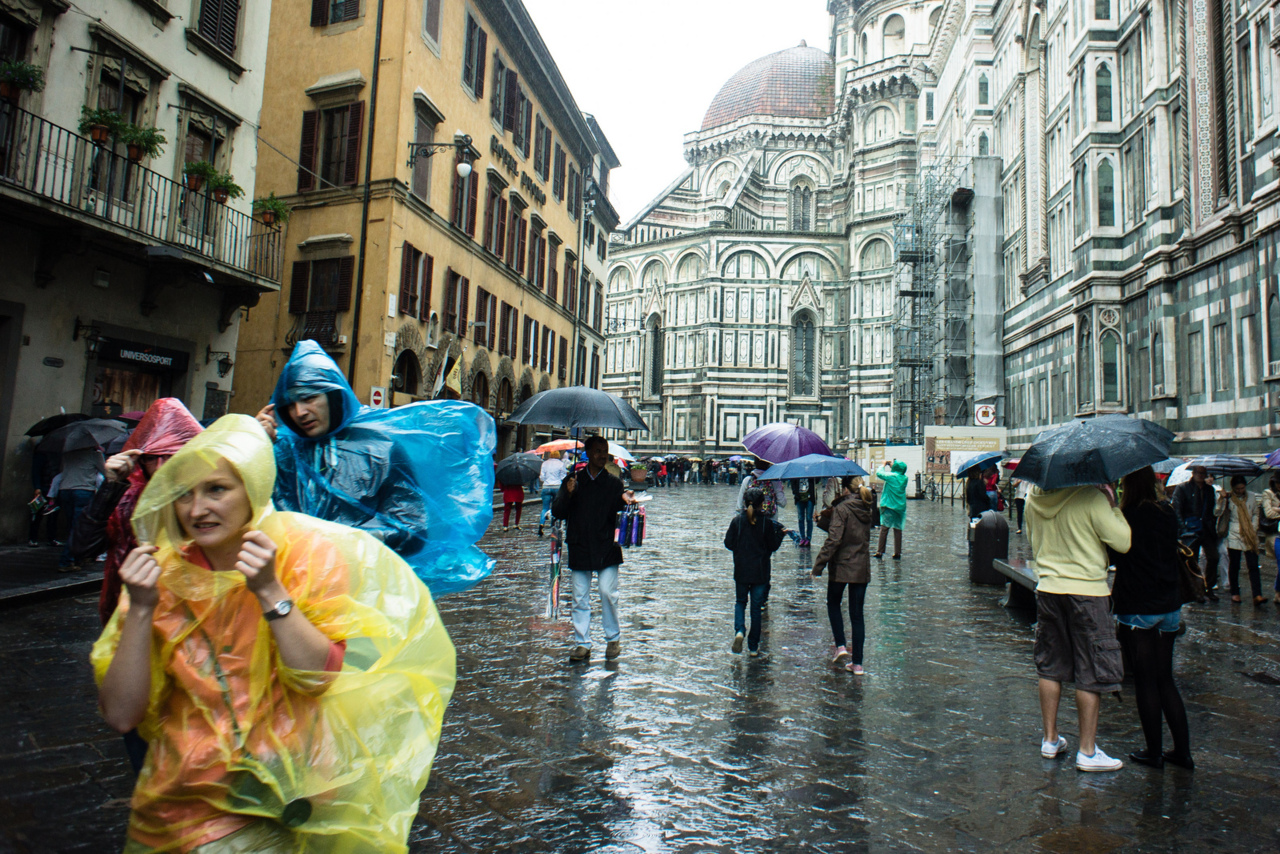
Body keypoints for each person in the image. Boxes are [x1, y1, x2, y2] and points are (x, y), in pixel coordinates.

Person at [91, 415, 455, 852]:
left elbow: (318, 678)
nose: (198, 509)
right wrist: (141, 609)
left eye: (217, 489)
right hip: (183, 808)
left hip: (291, 795)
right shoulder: (159, 577)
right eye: (184, 494)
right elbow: (121, 715)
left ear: (253, 487)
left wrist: (268, 591)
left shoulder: (306, 557)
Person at [256, 340, 495, 594]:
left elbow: (412, 528)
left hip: (364, 595)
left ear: (333, 394)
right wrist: (253, 445)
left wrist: (340, 544)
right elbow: (249, 511)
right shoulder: (280, 452)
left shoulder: (379, 447)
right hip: (292, 594)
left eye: (309, 398)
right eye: (290, 404)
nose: (300, 412)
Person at [1025, 480, 1132, 772]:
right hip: (1088, 591)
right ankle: (1086, 750)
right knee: (1091, 667)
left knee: (1049, 664)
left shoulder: (1033, 497)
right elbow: (1122, 541)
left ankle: (1050, 739)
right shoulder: (1092, 498)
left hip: (1048, 589)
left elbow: (1033, 542)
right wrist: (1114, 508)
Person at [1109, 466, 1193, 771]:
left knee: (1145, 681)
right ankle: (1182, 752)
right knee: (1165, 679)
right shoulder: (1167, 511)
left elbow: (1115, 555)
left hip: (1140, 606)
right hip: (1170, 604)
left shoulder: (1128, 515)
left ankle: (1154, 752)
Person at [553, 435, 635, 661]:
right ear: (588, 453)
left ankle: (613, 639)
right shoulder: (573, 480)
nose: (602, 455)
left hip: (607, 544)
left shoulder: (614, 483)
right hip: (580, 544)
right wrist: (568, 493)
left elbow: (621, 511)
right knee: (580, 597)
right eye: (598, 451)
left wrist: (627, 499)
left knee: (608, 593)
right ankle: (582, 644)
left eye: (605, 451)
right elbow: (558, 512)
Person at [811, 475, 874, 674]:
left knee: (833, 603)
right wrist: (823, 520)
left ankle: (840, 646)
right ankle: (858, 664)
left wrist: (819, 565)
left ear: (846, 489)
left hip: (841, 566)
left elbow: (835, 539)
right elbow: (851, 530)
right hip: (861, 567)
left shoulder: (842, 509)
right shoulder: (867, 507)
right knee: (857, 616)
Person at [723, 487, 788, 657]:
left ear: (745, 503)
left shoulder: (737, 521)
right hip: (760, 572)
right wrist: (780, 535)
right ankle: (753, 647)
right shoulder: (766, 523)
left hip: (742, 570)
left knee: (740, 602)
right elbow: (772, 546)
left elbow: (728, 543)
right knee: (756, 609)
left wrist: (739, 549)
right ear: (762, 504)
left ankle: (739, 630)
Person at [1172, 466, 1221, 601]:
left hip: (1206, 530)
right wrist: (1183, 530)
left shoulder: (1209, 490)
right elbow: (1176, 509)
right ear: (1193, 473)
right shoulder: (1183, 488)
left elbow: (1212, 511)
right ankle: (1195, 589)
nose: (1201, 475)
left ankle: (1208, 587)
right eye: (1198, 473)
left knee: (1214, 557)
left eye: (1203, 473)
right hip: (1190, 530)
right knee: (1191, 561)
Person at [56, 443, 106, 570]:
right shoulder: (95, 455)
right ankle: (66, 561)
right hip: (83, 491)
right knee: (79, 527)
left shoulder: (67, 454)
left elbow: (62, 470)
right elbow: (106, 471)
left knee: (72, 525)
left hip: (65, 490)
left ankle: (76, 558)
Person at [1216, 474, 1264, 605]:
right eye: (1237, 488)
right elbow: (1217, 512)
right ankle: (1235, 592)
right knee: (1235, 564)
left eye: (1242, 488)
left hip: (1249, 535)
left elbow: (1255, 513)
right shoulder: (1228, 498)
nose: (1240, 491)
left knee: (1253, 564)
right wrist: (1222, 499)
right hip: (1234, 534)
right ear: (1233, 488)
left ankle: (1257, 594)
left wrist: (1253, 528)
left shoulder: (1252, 497)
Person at [874, 460, 908, 559]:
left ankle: (880, 551)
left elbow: (879, 473)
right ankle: (897, 552)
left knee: (884, 529)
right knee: (898, 530)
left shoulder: (892, 477)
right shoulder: (904, 478)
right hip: (900, 507)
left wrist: (883, 464)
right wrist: (892, 465)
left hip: (889, 506)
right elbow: (896, 471)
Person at [538, 452, 568, 537]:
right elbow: (563, 477)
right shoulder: (561, 464)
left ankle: (541, 524)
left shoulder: (544, 463)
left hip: (546, 487)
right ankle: (554, 525)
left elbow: (542, 477)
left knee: (545, 508)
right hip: (557, 487)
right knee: (556, 507)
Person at [1262, 472, 1280, 604]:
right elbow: (1268, 513)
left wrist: (1277, 509)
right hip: (1276, 535)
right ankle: (1278, 590)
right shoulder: (1268, 493)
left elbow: (1274, 511)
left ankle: (1278, 591)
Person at [791, 477, 817, 547]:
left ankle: (808, 538)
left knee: (809, 518)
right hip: (799, 498)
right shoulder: (797, 473)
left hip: (810, 498)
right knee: (800, 518)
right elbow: (793, 482)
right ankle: (802, 537)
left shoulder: (812, 472)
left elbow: (816, 481)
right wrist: (795, 492)